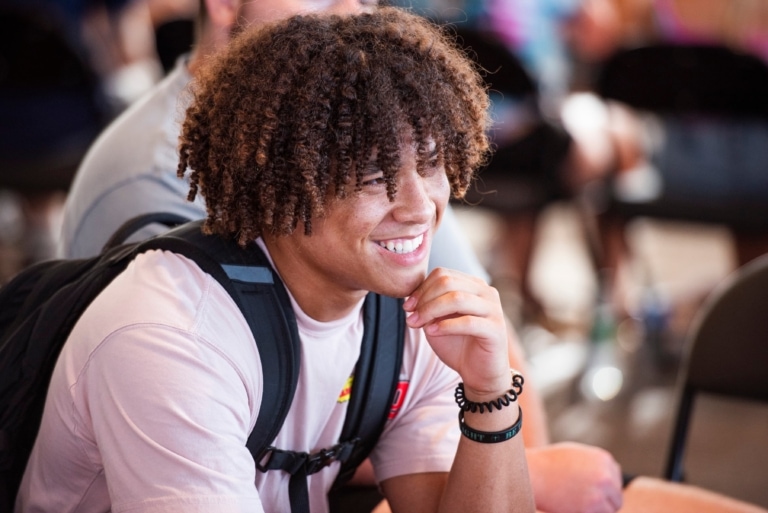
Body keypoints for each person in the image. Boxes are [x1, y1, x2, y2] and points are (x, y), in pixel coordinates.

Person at [16, 9, 536, 511]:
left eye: (430, 164)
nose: (421, 206)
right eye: (375, 178)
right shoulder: (174, 334)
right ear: (280, 183)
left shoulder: (410, 321)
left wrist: (490, 393)